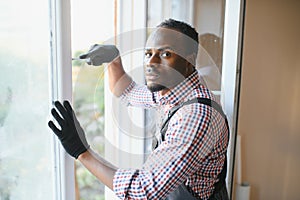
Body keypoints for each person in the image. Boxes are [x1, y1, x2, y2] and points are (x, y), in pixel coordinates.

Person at [48, 18, 229, 200]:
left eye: (165, 54)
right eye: (148, 53)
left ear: (189, 61)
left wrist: (81, 152)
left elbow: (144, 190)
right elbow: (127, 92)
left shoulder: (196, 115)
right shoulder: (175, 90)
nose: (151, 62)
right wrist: (114, 60)